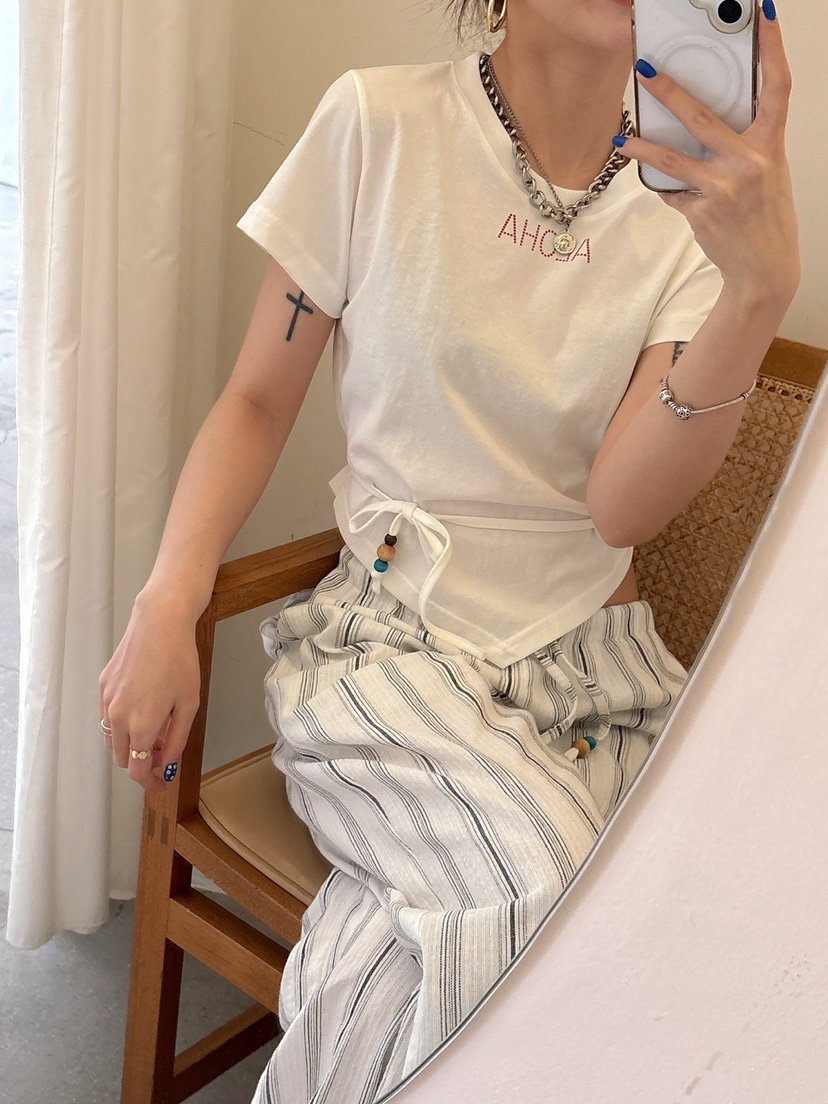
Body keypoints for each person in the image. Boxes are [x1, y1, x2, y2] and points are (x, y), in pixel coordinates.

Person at [99, 0, 799, 1100]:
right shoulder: (374, 124)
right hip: (390, 648)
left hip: (597, 680)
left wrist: (755, 297)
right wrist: (166, 599)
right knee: (557, 914)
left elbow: (620, 508)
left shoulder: (697, 210)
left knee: (701, 943)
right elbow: (257, 398)